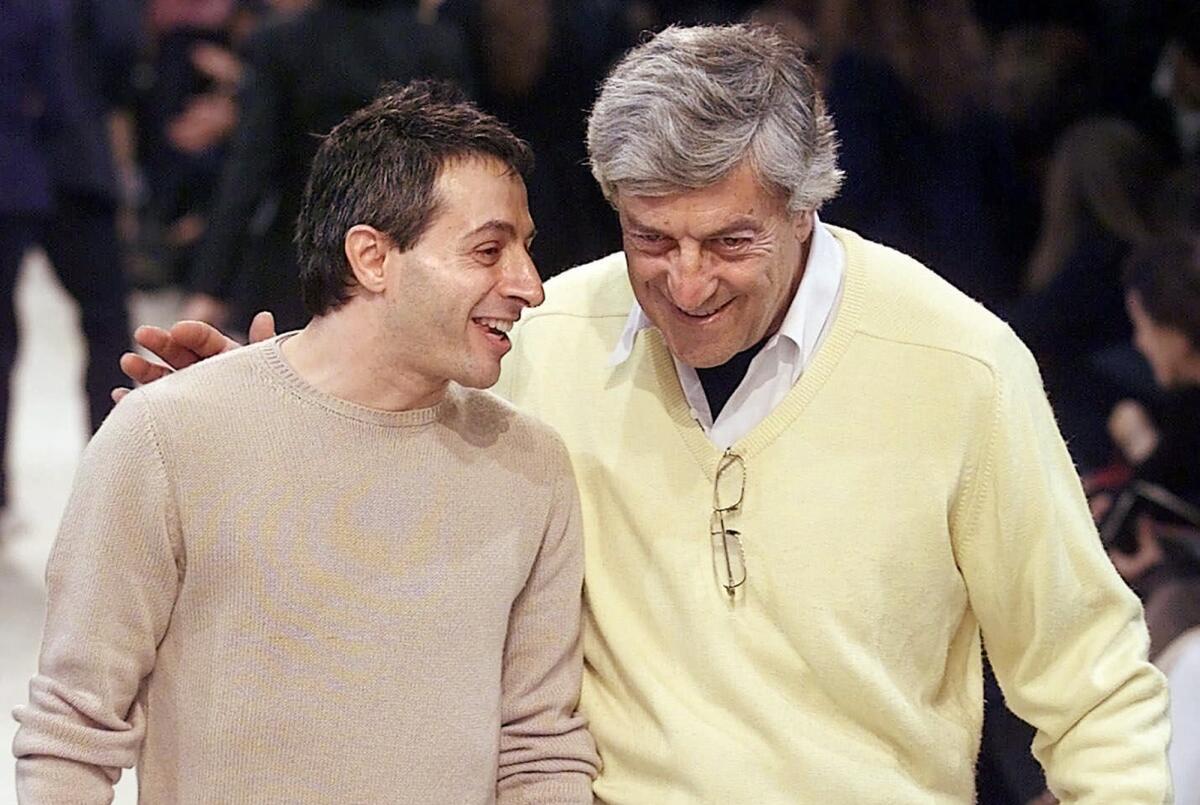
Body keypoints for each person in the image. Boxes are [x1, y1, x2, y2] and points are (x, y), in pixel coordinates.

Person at [117, 25, 1171, 803]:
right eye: (650, 238)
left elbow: (1090, 685)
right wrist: (249, 424)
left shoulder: (961, 366)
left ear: (807, 208)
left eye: (730, 242)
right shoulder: (543, 336)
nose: (687, 281)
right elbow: (374, 496)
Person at [13, 81, 598, 803]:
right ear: (373, 258)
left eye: (526, 250)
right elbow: (72, 735)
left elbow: (541, 749)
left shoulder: (531, 466)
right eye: (488, 250)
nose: (530, 286)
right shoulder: (165, 436)